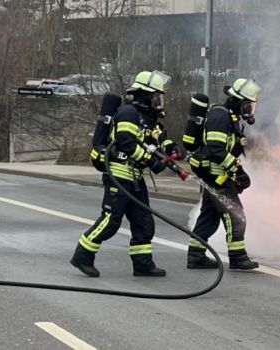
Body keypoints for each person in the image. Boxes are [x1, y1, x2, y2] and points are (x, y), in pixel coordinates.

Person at [71, 71, 181, 278]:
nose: (159, 100)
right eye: (156, 96)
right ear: (145, 95)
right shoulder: (129, 113)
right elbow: (126, 143)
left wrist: (173, 148)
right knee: (110, 221)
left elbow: (160, 140)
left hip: (135, 178)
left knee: (144, 222)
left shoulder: (150, 120)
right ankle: (82, 256)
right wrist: (150, 161)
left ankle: (142, 264)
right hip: (119, 175)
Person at [185, 78, 260, 270]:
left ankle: (195, 254)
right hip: (216, 177)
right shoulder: (220, 116)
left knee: (209, 218)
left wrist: (235, 174)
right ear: (237, 101)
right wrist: (238, 171)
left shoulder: (230, 117)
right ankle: (237, 257)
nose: (250, 109)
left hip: (217, 177)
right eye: (247, 105)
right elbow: (216, 149)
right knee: (236, 216)